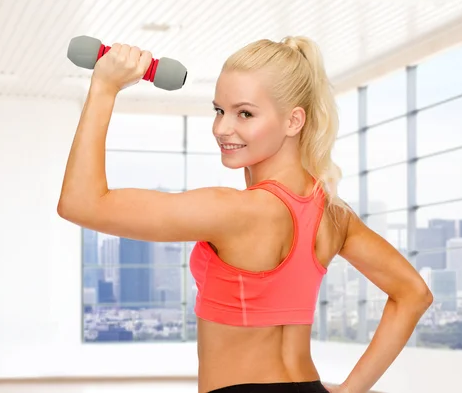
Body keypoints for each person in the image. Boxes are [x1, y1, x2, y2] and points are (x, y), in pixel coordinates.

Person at [57, 36, 433, 393]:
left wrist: (105, 88)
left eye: (245, 114)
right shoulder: (333, 212)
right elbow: (413, 294)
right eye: (220, 110)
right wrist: (351, 390)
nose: (223, 128)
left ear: (293, 121)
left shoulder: (237, 211)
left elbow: (81, 203)